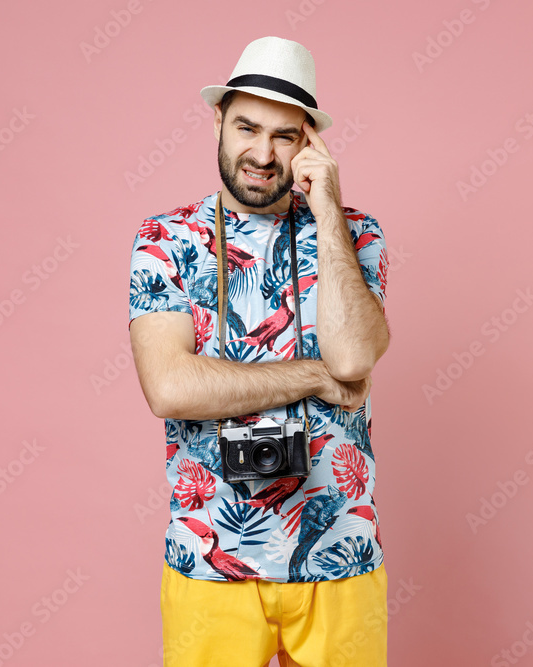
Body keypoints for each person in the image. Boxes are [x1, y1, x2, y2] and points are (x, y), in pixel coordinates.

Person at [128, 36, 391, 667]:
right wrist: (309, 375)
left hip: (341, 554)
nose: (263, 153)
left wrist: (326, 206)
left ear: (309, 145)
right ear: (218, 121)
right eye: (247, 126)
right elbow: (169, 387)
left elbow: (353, 359)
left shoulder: (359, 234)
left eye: (284, 136)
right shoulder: (166, 239)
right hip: (209, 558)